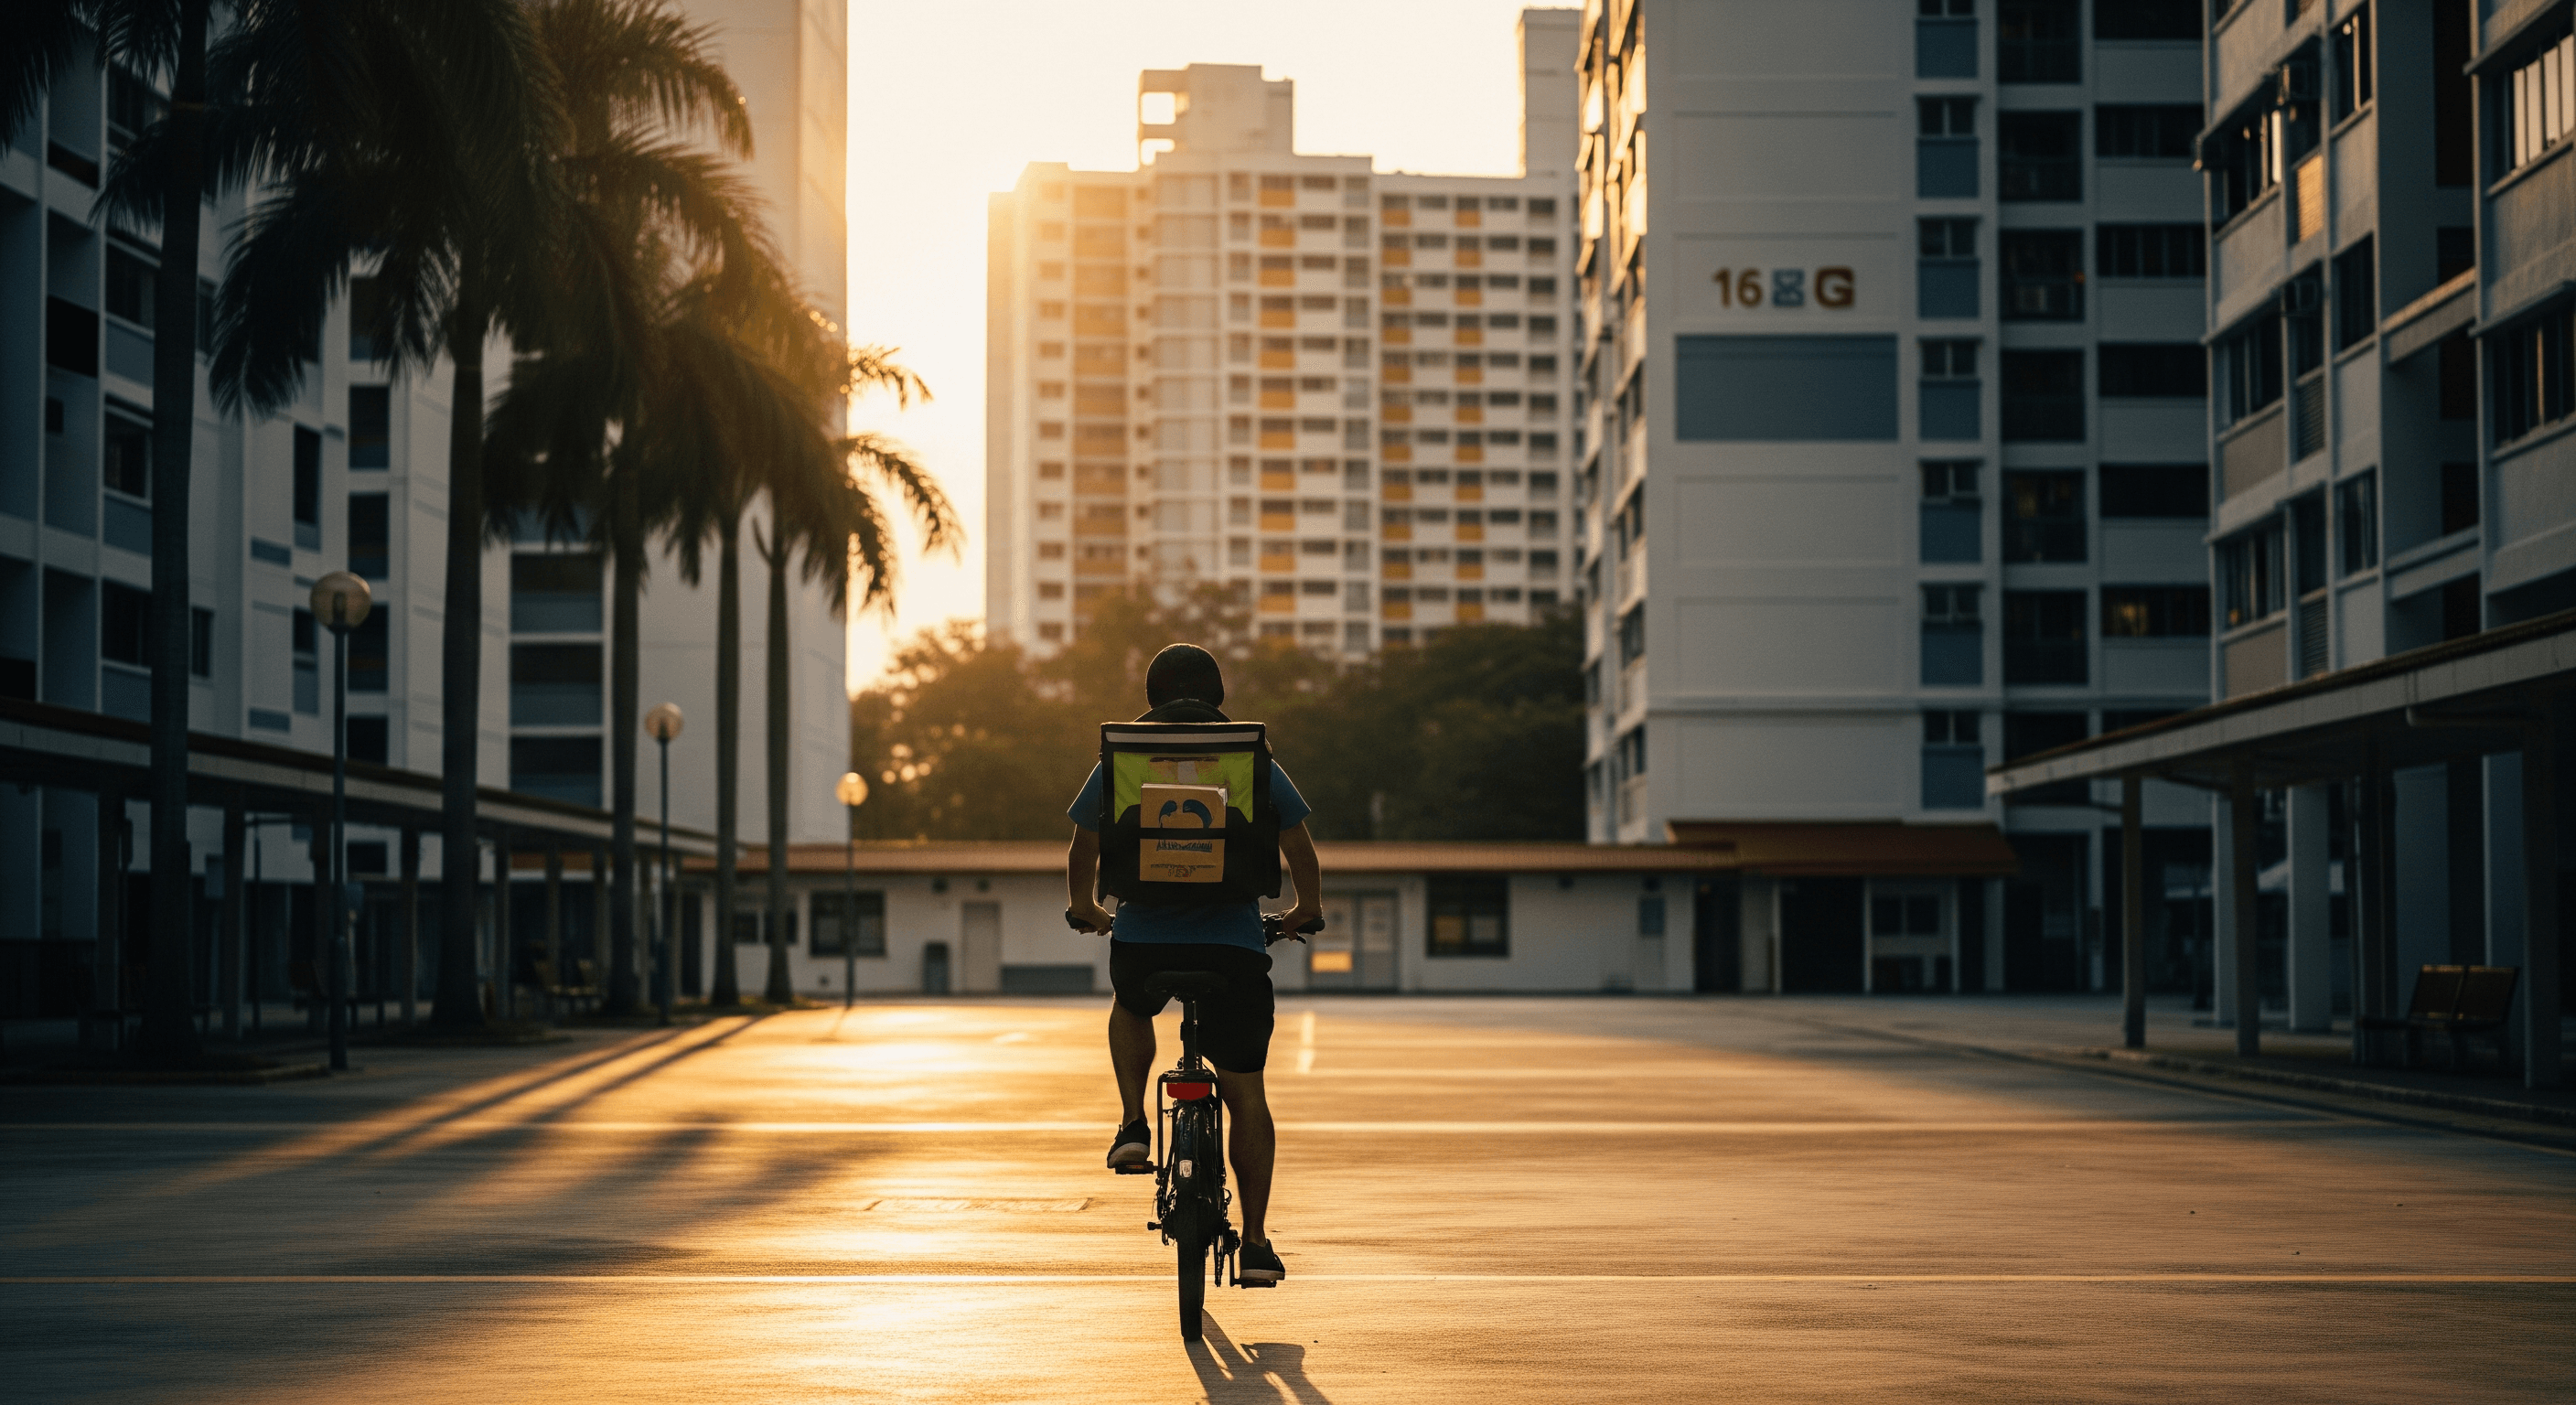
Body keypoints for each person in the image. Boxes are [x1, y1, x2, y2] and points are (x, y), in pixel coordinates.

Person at [1064, 642, 1321, 1288]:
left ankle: (1131, 1124)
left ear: (1152, 696)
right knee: (1246, 1095)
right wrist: (1303, 910)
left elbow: (1084, 845)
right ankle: (1257, 1243)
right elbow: (1300, 848)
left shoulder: (1122, 756)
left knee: (1131, 1004)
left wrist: (1087, 908)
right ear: (1218, 694)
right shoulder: (1250, 758)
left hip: (1145, 941)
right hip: (1234, 949)